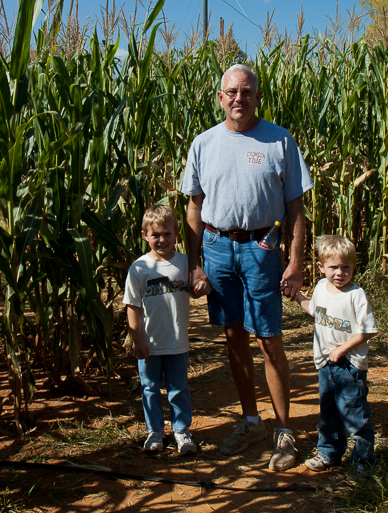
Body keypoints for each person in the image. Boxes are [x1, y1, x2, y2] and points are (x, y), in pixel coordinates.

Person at [181, 63, 313, 471]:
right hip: (218, 248)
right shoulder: (203, 143)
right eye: (232, 92)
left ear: (257, 96)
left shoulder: (280, 140)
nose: (240, 98)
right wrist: (195, 265)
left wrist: (294, 262)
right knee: (234, 336)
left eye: (247, 91)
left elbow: (295, 207)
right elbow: (194, 207)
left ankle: (285, 431)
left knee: (269, 339)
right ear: (220, 97)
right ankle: (251, 420)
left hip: (262, 248)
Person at [290, 235, 378, 473]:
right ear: (321, 267)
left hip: (350, 365)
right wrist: (298, 297)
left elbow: (368, 330)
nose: (340, 273)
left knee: (355, 415)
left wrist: (342, 349)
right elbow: (315, 312)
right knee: (328, 412)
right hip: (325, 364)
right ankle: (329, 454)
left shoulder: (356, 295)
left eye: (345, 267)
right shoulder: (320, 288)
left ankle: (363, 460)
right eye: (333, 267)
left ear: (354, 267)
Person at [123, 205, 197, 455]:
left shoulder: (185, 264)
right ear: (144, 235)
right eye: (155, 235)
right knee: (150, 388)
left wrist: (203, 288)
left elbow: (199, 290)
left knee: (179, 388)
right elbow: (132, 306)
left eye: (167, 234)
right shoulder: (139, 268)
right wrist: (137, 340)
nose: (162, 240)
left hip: (177, 341)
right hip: (149, 343)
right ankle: (154, 431)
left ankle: (181, 431)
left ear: (177, 232)